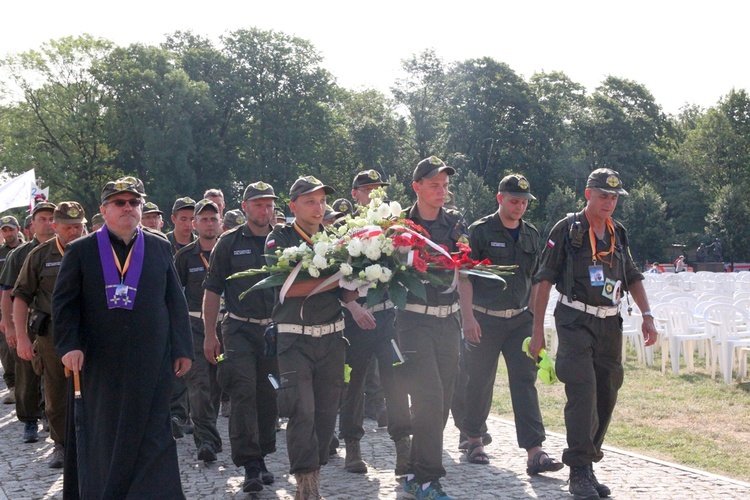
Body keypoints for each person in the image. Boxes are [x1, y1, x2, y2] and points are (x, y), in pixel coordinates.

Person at [52, 177, 193, 498]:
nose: (128, 208)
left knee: (154, 434)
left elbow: (175, 300)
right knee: (105, 437)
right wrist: (68, 345)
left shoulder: (159, 247)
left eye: (134, 202)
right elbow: (63, 305)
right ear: (103, 210)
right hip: (101, 365)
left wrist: (183, 348)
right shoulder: (80, 251)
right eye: (120, 203)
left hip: (151, 362)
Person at [530, 168, 658, 500]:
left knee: (606, 394)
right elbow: (543, 279)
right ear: (588, 194)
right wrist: (538, 329)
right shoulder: (568, 229)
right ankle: (578, 469)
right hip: (574, 320)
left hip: (610, 323)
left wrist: (647, 316)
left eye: (614, 197)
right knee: (583, 392)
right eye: (604, 195)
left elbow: (631, 275)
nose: (609, 202)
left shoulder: (618, 232)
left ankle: (587, 463)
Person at [458, 174, 563, 476]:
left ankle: (535, 450)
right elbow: (463, 276)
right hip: (484, 318)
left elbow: (535, 281)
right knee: (479, 381)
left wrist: (535, 326)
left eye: (524, 202)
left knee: (524, 382)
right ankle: (475, 439)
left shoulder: (530, 234)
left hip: (519, 321)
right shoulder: (478, 232)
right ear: (500, 198)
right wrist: (467, 318)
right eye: (514, 200)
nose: (519, 207)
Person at [266, 176, 351, 499]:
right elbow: (288, 288)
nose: (319, 208)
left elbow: (346, 292)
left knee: (328, 414)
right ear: (293, 206)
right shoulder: (279, 238)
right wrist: (337, 278)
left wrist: (365, 277)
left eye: (322, 201)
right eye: (310, 201)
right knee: (302, 410)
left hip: (332, 336)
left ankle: (315, 471)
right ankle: (306, 485)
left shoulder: (334, 238)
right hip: (294, 339)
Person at [203, 182, 280, 493]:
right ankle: (249, 462)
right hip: (238, 328)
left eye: (269, 205)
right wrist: (210, 334)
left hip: (274, 329)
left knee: (269, 394)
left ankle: (261, 455)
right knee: (243, 390)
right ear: (245, 207)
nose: (264, 211)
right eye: (258, 205)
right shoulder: (229, 242)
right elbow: (212, 290)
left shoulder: (284, 240)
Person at [399, 156, 468, 500]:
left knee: (441, 402)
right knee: (429, 397)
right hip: (414, 320)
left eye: (445, 185)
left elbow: (466, 269)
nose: (442, 191)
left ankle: (414, 472)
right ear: (417, 187)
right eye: (434, 185)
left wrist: (468, 317)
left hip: (448, 320)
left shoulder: (455, 223)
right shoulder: (399, 226)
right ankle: (429, 481)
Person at [339, 169, 412, 476]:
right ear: (355, 193)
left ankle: (403, 448)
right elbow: (334, 276)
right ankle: (353, 447)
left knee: (395, 382)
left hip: (387, 317)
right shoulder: (343, 228)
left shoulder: (393, 227)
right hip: (355, 318)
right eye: (367, 189)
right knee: (353, 385)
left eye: (378, 189)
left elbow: (405, 267)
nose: (372, 194)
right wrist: (353, 307)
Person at [12, 202, 86, 468]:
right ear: (55, 227)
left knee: (95, 389)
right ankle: (61, 445)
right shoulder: (40, 255)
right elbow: (20, 297)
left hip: (88, 331)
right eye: (68, 227)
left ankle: (92, 443)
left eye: (79, 226)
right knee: (56, 393)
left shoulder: (95, 251)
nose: (74, 232)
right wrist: (20, 336)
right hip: (52, 333)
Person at [0, 201, 56, 444]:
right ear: (32, 224)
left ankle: (51, 418)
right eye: (41, 218)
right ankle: (29, 420)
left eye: (50, 218)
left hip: (55, 322)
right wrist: (10, 325)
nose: (46, 223)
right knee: (26, 372)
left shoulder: (70, 249)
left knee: (54, 374)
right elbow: (8, 292)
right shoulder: (20, 255)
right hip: (28, 320)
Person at [174, 199, 223, 464]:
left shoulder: (227, 249)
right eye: (203, 219)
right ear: (195, 224)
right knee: (200, 384)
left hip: (228, 326)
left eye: (213, 219)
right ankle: (206, 441)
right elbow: (171, 295)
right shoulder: (184, 257)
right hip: (194, 327)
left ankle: (212, 433)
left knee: (220, 385)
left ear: (220, 222)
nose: (208, 223)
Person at [0, 216, 23, 405]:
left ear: (18, 229)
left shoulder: (29, 250)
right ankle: (13, 386)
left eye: (10, 229)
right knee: (7, 349)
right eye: (4, 230)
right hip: (5, 305)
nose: (8, 233)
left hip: (27, 306)